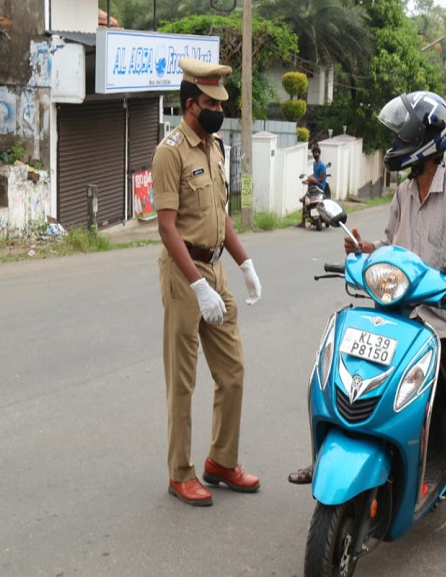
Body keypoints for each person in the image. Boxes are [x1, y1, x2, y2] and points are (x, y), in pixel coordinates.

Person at [290, 91, 446, 556]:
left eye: (404, 137)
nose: (397, 143)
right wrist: (365, 249)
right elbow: (392, 247)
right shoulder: (403, 193)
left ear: (427, 144)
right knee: (341, 371)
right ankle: (335, 452)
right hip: (398, 312)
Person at [152, 57, 262, 506]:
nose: (219, 109)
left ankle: (221, 460)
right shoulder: (170, 152)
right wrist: (197, 285)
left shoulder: (215, 148)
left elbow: (221, 217)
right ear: (190, 105)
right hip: (184, 275)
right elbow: (167, 227)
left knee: (232, 372)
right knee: (183, 381)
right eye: (211, 103)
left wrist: (245, 263)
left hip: (216, 268)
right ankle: (181, 473)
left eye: (220, 102)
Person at [297, 145, 328, 228]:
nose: (316, 154)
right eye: (314, 153)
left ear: (319, 154)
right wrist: (307, 180)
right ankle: (303, 222)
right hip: (314, 185)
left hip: (320, 186)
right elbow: (314, 175)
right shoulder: (314, 164)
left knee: (310, 182)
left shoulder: (322, 165)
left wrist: (312, 180)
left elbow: (321, 179)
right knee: (305, 202)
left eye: (317, 153)